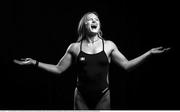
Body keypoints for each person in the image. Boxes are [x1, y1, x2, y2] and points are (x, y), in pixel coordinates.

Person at [14, 12, 170, 110]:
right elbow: (59, 69)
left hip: (103, 95)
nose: (94, 21)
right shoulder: (74, 47)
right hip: (80, 96)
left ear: (99, 25)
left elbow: (127, 66)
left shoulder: (109, 45)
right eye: (90, 20)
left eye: (96, 19)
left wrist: (149, 53)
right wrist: (34, 62)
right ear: (84, 26)